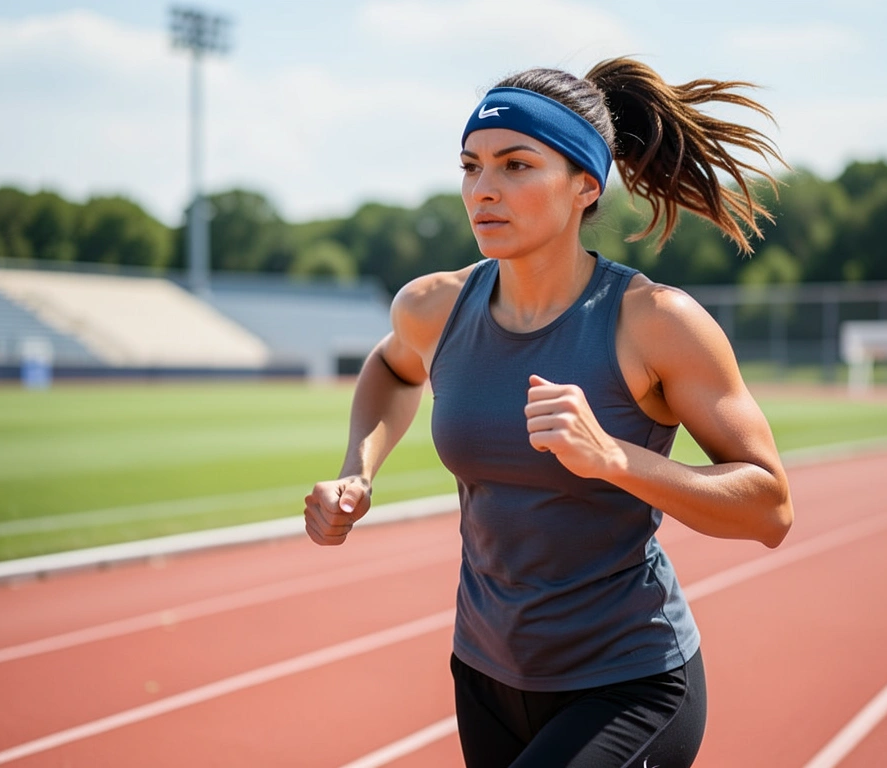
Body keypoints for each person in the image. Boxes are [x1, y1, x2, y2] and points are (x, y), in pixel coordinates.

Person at [303, 57, 794, 768]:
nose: (483, 191)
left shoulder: (654, 322)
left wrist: (617, 459)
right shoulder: (434, 307)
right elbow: (389, 368)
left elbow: (769, 508)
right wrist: (359, 471)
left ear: (584, 186)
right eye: (471, 167)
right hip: (484, 673)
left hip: (628, 681)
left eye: (515, 166)